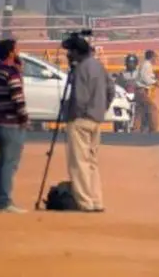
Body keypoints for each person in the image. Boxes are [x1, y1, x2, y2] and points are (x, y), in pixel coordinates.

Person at [64, 34, 110, 212]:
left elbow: (79, 98)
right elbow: (111, 89)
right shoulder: (99, 66)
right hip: (96, 119)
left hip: (81, 120)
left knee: (79, 163)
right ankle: (97, 200)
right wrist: (101, 108)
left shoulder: (81, 69)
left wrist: (74, 114)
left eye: (70, 51)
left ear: (76, 52)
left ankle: (85, 201)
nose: (68, 55)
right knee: (92, 162)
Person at [0, 38, 29, 213]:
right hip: (11, 123)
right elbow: (17, 98)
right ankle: (5, 202)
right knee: (9, 164)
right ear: (11, 52)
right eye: (16, 50)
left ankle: (0, 200)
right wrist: (24, 118)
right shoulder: (11, 72)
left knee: (1, 164)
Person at [134, 50, 159, 134]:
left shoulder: (146, 65)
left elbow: (146, 76)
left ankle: (137, 130)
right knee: (152, 108)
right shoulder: (147, 65)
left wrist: (154, 80)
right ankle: (153, 129)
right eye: (156, 58)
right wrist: (155, 82)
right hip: (141, 90)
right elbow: (145, 77)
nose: (157, 60)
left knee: (140, 110)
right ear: (152, 57)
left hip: (140, 90)